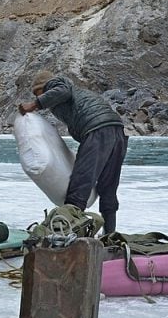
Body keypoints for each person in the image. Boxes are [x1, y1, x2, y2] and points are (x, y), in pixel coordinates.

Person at [18, 71, 128, 234]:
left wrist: (34, 104)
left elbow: (62, 91)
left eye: (37, 92)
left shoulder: (57, 84)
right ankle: (110, 234)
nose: (38, 96)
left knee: (81, 182)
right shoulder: (77, 93)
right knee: (108, 186)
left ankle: (70, 234)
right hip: (117, 131)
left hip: (97, 130)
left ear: (43, 87)